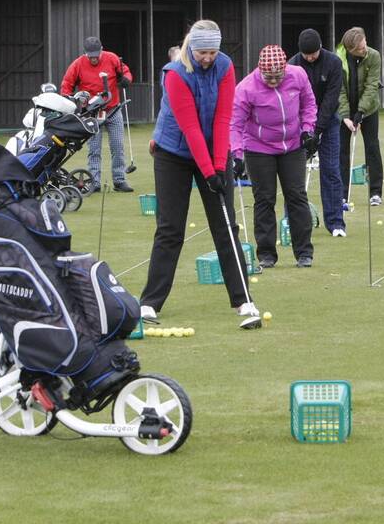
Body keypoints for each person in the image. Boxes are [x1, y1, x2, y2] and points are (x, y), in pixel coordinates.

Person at [140, 20, 262, 330]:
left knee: (225, 226)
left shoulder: (225, 66)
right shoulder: (175, 73)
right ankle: (150, 303)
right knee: (170, 229)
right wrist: (208, 171)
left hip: (212, 150)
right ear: (191, 48)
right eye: (202, 52)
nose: (208, 58)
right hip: (173, 153)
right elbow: (190, 127)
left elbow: (223, 118)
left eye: (212, 51)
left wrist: (220, 165)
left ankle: (243, 299)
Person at [231, 45, 318, 268]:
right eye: (268, 77)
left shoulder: (298, 75)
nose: (273, 81)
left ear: (285, 68)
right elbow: (236, 124)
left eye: (277, 76)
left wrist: (308, 130)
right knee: (264, 199)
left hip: (292, 145)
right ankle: (267, 254)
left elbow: (309, 103)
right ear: (260, 71)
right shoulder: (246, 88)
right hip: (259, 148)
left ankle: (304, 252)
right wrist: (237, 154)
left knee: (297, 196)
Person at [288, 29, 346, 237]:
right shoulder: (293, 64)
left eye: (313, 53)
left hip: (328, 123)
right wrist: (307, 131)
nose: (310, 58)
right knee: (293, 174)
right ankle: (292, 221)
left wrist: (318, 130)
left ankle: (336, 222)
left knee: (331, 171)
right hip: (299, 125)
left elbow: (332, 99)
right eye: (306, 55)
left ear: (320, 47)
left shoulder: (333, 63)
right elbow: (293, 99)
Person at [60, 36, 134, 192]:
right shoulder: (78, 64)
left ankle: (119, 180)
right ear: (85, 53)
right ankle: (94, 181)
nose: (94, 58)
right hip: (91, 112)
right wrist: (69, 101)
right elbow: (67, 85)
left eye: (96, 55)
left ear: (101, 50)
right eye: (90, 55)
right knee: (94, 149)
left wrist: (126, 79)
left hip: (113, 109)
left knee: (117, 146)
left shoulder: (112, 58)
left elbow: (125, 71)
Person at [336, 27, 383, 207]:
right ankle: (342, 194)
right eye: (361, 49)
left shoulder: (373, 55)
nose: (365, 50)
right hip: (344, 111)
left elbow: (372, 85)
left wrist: (361, 111)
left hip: (369, 109)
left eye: (365, 45)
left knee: (372, 147)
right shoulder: (338, 59)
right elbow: (339, 90)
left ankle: (375, 192)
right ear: (350, 50)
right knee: (342, 151)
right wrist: (346, 116)